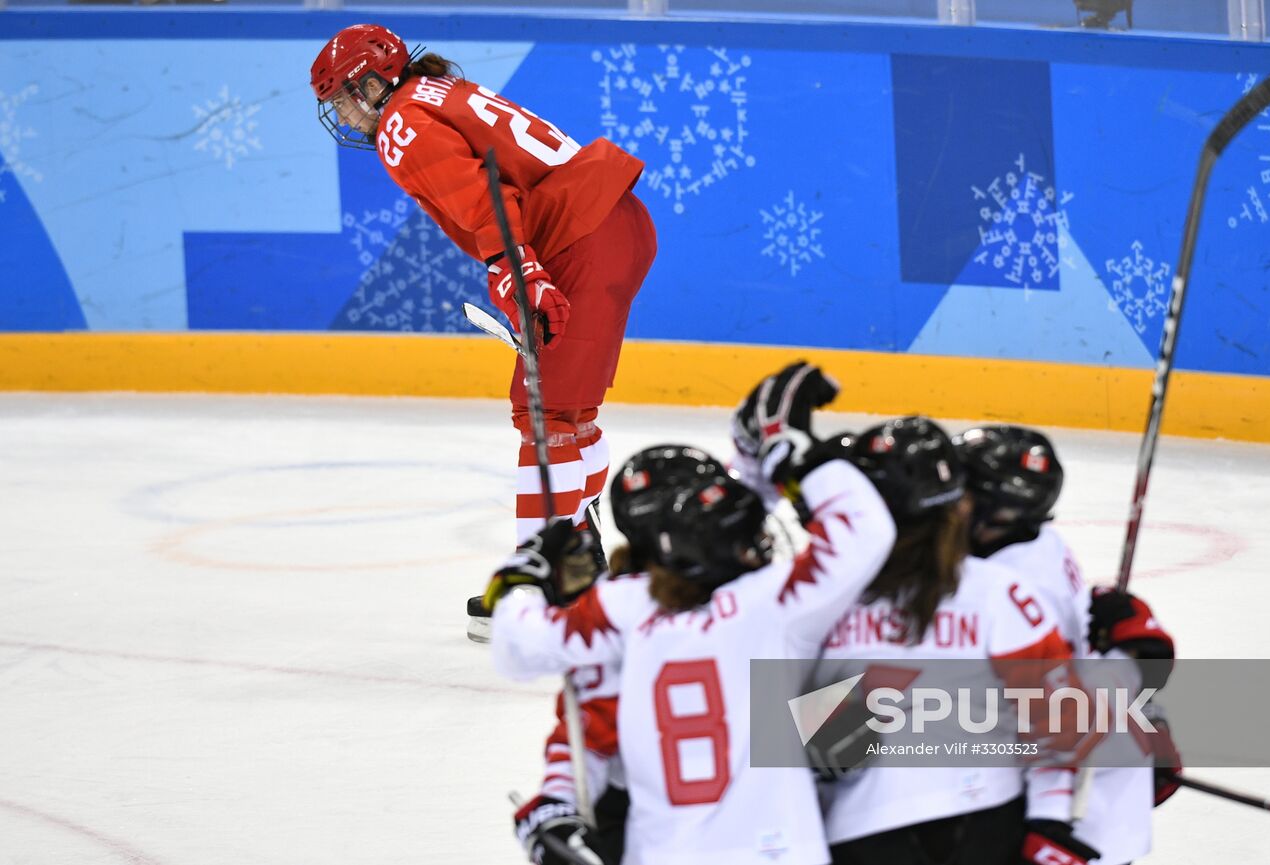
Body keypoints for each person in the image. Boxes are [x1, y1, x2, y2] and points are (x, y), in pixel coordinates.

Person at [309, 24, 655, 637]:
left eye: (342, 98)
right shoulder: (438, 91)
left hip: (578, 238)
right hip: (613, 225)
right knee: (571, 414)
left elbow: (482, 195)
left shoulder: (401, 121)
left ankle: (542, 587)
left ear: (372, 84)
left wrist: (517, 270)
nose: (342, 115)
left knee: (545, 416)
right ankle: (576, 556)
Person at [486, 363, 898, 865]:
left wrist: (522, 578)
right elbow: (862, 533)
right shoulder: (767, 603)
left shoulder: (620, 610)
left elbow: (527, 654)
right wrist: (780, 450)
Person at [808, 416, 1093, 865]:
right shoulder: (1003, 592)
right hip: (987, 818)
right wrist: (1049, 820)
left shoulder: (817, 603)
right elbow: (1062, 721)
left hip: (862, 830)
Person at [956, 425, 1177, 865]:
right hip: (1074, 772)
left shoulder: (1007, 586)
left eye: (962, 492)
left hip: (1070, 805)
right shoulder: (1035, 544)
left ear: (999, 510)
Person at [506, 444, 732, 865]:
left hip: (643, 823)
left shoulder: (613, 607)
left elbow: (586, 724)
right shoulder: (758, 597)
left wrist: (521, 581)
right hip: (753, 825)